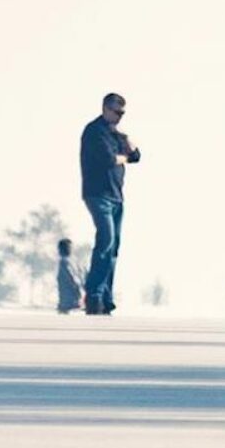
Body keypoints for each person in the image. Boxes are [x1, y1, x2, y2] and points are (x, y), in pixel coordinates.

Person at [78, 92, 141, 315]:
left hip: (116, 196)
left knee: (113, 248)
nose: (119, 116)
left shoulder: (115, 133)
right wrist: (124, 157)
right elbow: (108, 159)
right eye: (116, 112)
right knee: (105, 240)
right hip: (98, 194)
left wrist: (126, 140)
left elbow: (136, 156)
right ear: (105, 108)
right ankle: (93, 294)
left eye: (122, 113)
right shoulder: (94, 131)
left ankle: (105, 296)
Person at [56, 239, 84, 314]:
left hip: (68, 299)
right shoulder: (64, 262)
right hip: (68, 300)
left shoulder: (69, 262)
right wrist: (78, 286)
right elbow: (71, 277)